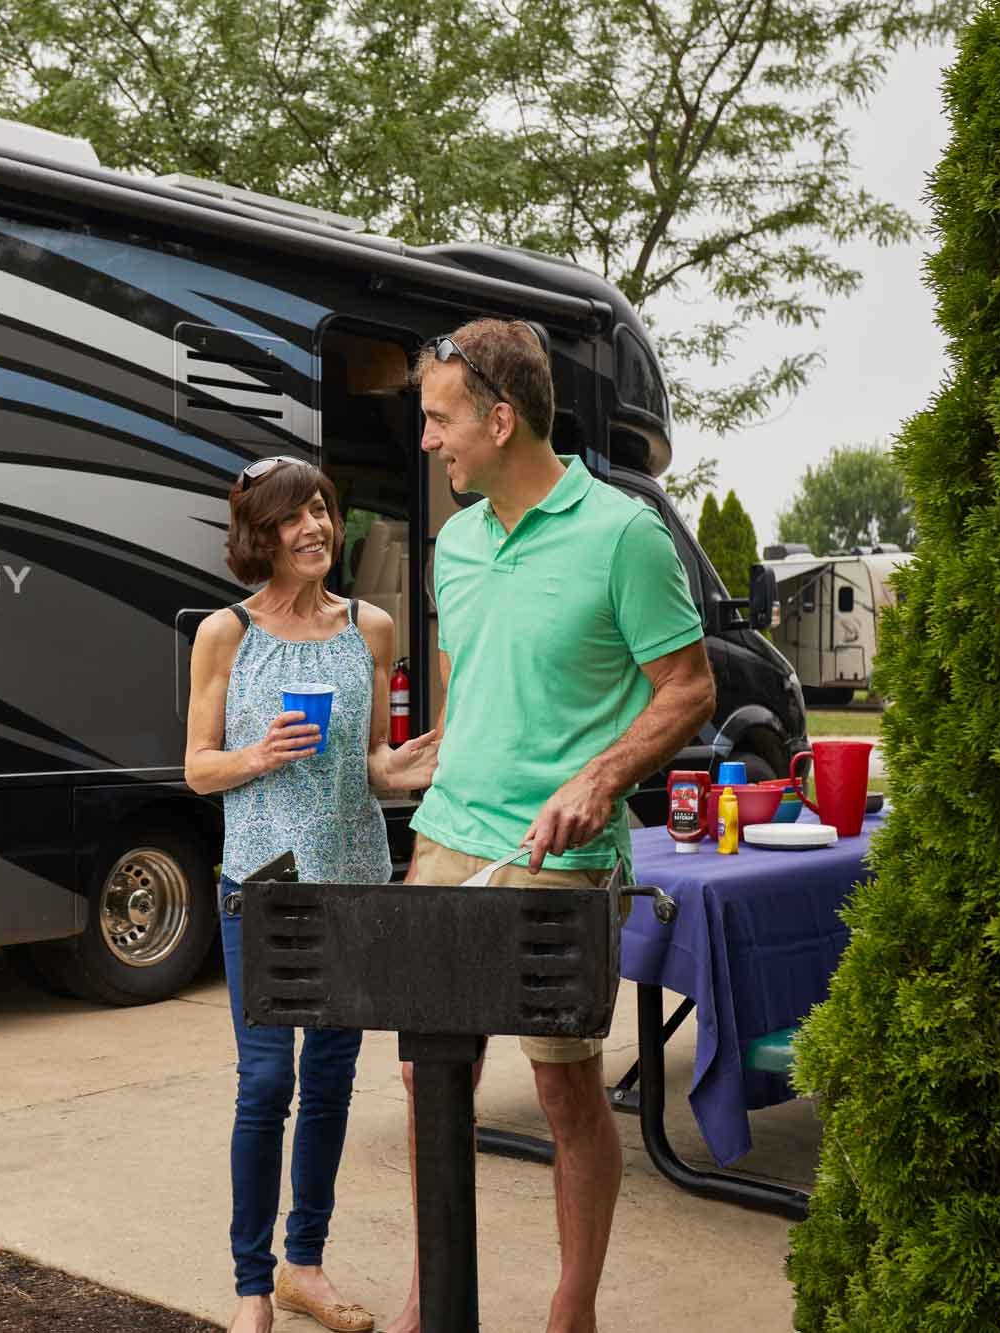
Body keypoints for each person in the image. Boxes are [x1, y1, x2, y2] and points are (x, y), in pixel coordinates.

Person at [383, 319, 716, 1333]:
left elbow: (688, 688)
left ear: (498, 418)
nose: (427, 441)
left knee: (563, 1087)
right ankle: (430, 1286)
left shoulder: (620, 534)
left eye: (439, 420)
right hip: (446, 834)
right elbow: (468, 681)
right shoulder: (453, 542)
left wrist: (602, 775)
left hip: (557, 852)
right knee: (426, 1071)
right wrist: (431, 754)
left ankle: (571, 1306)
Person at [185, 456, 440, 1333]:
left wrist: (398, 768)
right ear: (261, 534)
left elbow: (371, 761)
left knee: (330, 1082)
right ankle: (251, 1284)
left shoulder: (371, 626)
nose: (317, 528)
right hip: (260, 887)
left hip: (354, 884)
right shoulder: (227, 633)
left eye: (325, 510)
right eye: (296, 517)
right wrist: (256, 755)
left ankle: (305, 1264)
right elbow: (195, 766)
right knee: (265, 1084)